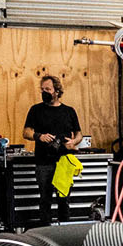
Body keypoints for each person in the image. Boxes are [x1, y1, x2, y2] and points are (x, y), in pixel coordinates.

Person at [23, 74, 82, 225]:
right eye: (42, 89)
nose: (44, 92)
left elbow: (79, 134)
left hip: (64, 162)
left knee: (64, 199)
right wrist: (39, 136)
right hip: (43, 162)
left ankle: (65, 230)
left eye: (48, 89)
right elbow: (26, 132)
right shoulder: (36, 110)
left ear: (57, 91)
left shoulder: (69, 111)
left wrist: (74, 142)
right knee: (45, 199)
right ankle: (45, 230)